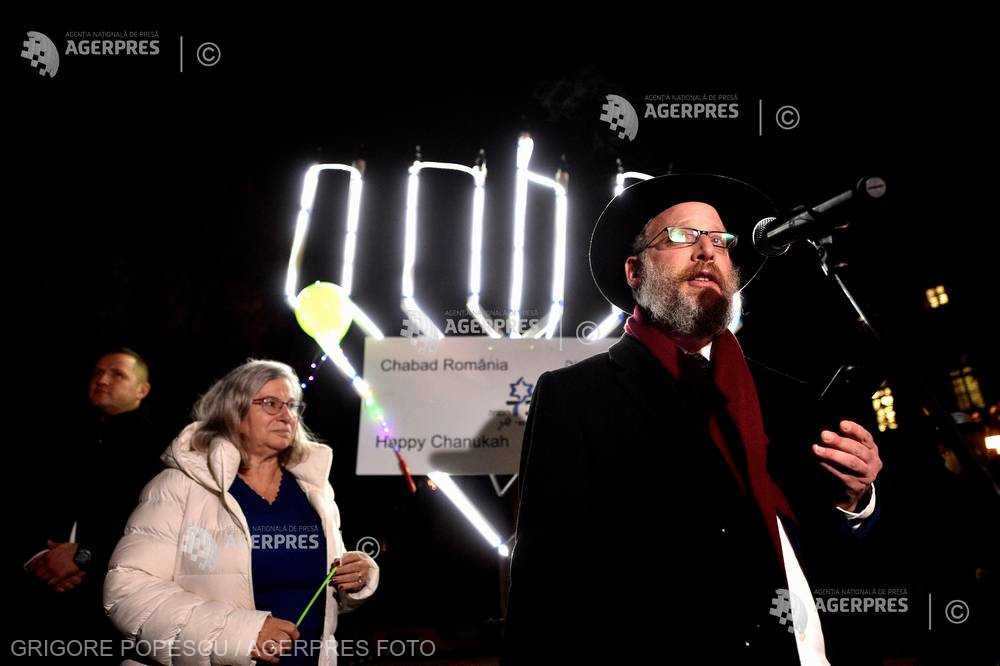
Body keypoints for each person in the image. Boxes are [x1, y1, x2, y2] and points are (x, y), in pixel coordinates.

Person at [504, 174, 883, 664]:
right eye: (682, 236)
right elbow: (544, 582)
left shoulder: (785, 395)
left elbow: (829, 543)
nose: (707, 250)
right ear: (635, 271)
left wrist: (855, 500)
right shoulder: (575, 397)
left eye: (721, 241)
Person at [104, 359, 378, 665]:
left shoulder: (315, 490)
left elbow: (325, 592)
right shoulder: (181, 485)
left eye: (292, 406)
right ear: (234, 411)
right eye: (271, 404)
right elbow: (127, 591)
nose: (286, 415)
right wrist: (241, 635)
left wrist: (355, 579)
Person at [23, 348, 162, 647]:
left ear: (142, 390)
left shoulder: (159, 449)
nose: (102, 380)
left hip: (110, 603)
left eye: (117, 374)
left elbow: (156, 524)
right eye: (98, 372)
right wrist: (37, 557)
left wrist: (85, 556)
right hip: (39, 586)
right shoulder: (56, 435)